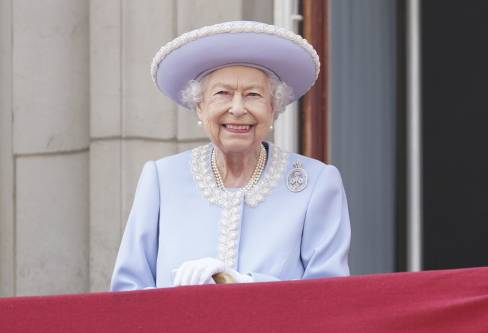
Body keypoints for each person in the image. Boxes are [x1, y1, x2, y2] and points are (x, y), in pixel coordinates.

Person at [110, 21, 351, 290]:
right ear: (200, 107)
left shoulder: (316, 183)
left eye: (253, 95)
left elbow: (330, 295)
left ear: (273, 108)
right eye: (222, 93)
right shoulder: (161, 179)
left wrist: (246, 285)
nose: (237, 109)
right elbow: (127, 291)